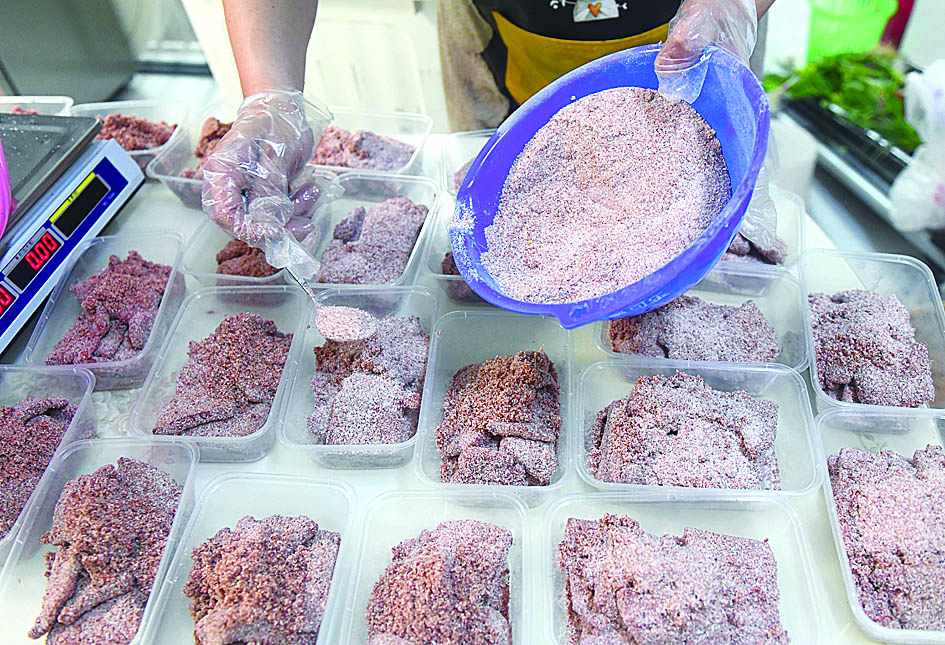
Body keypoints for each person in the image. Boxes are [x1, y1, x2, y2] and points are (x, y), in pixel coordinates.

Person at [203, 0, 776, 275]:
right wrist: (270, 96)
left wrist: (735, 5)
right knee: (491, 190)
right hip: (501, 25)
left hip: (694, 26)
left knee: (716, 197)